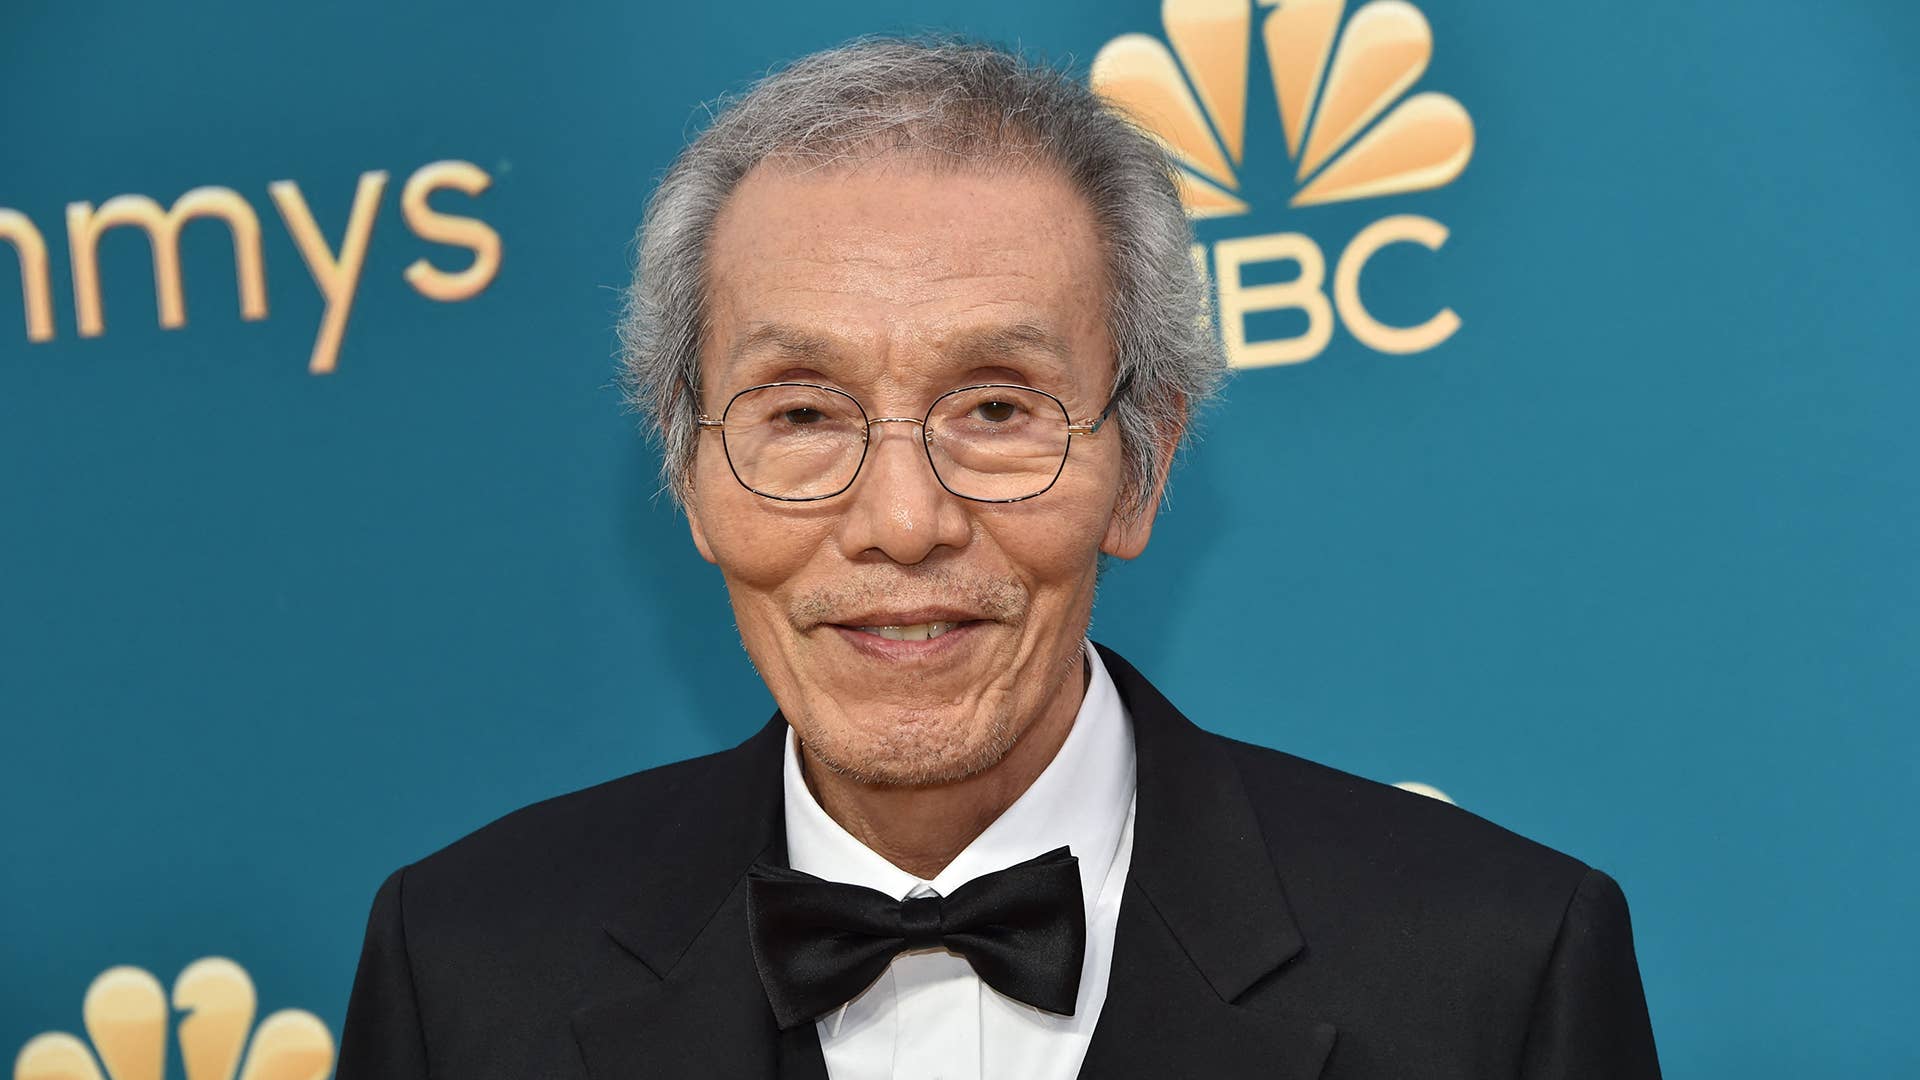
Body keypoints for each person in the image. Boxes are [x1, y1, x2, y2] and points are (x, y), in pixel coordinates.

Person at [336, 38, 1661, 1080]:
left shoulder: (1496, 974)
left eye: (997, 410)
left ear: (1140, 464)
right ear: (687, 476)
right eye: (801, 415)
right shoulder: (463, 969)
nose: (903, 520)